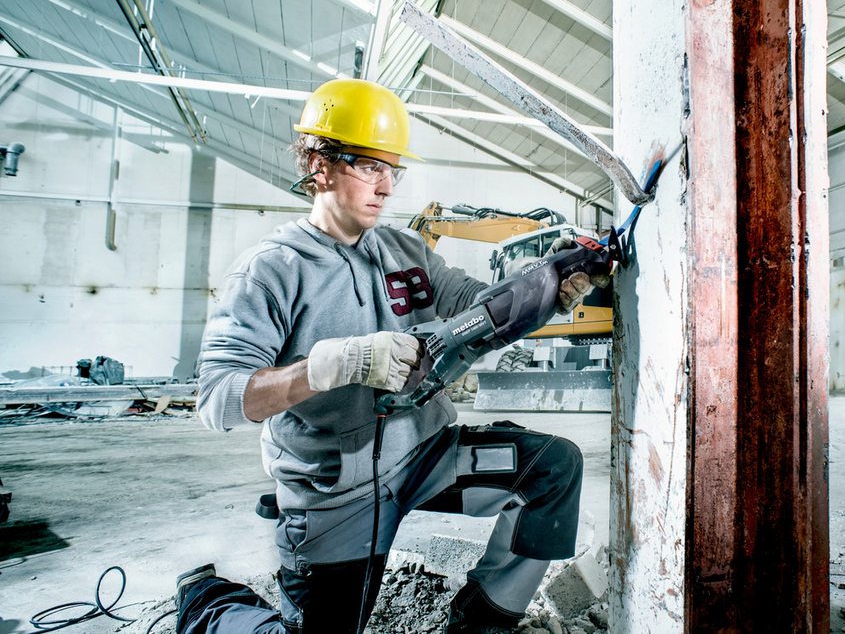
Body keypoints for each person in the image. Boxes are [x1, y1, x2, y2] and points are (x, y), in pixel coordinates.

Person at [177, 79, 600, 634]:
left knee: (553, 467)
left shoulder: (407, 252)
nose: (386, 185)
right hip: (337, 491)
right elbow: (217, 399)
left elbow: (480, 311)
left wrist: (546, 292)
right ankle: (210, 605)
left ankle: (477, 627)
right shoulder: (271, 270)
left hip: (428, 457)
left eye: (392, 169)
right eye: (369, 166)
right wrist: (330, 367)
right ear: (319, 164)